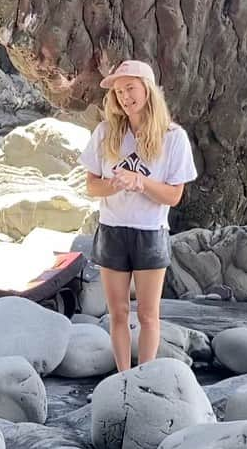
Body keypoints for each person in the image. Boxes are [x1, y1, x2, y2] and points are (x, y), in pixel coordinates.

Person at [80, 60, 197, 371]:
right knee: (117, 313)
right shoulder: (105, 132)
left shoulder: (173, 137)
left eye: (130, 88)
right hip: (112, 231)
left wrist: (140, 181)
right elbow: (92, 187)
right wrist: (114, 184)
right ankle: (122, 377)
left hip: (150, 233)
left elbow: (174, 196)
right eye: (119, 92)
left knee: (148, 315)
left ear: (147, 89)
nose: (124, 97)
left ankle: (144, 378)